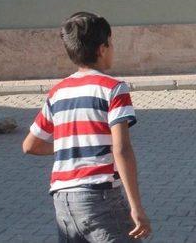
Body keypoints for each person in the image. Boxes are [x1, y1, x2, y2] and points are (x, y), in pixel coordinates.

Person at [22, 12, 151, 242]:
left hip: (62, 200)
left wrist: (69, 146)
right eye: (111, 43)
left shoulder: (58, 92)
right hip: (100, 197)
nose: (112, 49)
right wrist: (136, 207)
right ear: (102, 48)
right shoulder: (113, 89)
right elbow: (121, 150)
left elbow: (30, 145)